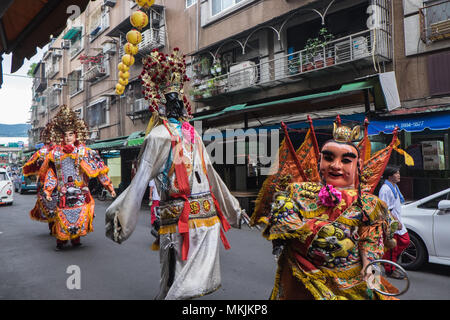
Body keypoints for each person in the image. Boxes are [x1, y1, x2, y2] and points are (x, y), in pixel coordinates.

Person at [105, 48, 242, 300]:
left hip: (207, 220)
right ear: (162, 105)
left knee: (195, 285)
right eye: (171, 101)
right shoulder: (157, 136)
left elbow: (211, 175)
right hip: (178, 221)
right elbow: (140, 179)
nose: (177, 105)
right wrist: (121, 220)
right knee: (175, 281)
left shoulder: (194, 134)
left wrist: (233, 210)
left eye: (179, 99)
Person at [257, 120, 400, 300]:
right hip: (302, 281)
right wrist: (321, 233)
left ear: (359, 166)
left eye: (346, 160)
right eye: (329, 158)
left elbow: (371, 238)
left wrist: (369, 268)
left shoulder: (370, 204)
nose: (336, 166)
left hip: (351, 282)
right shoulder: (297, 192)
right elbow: (282, 228)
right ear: (319, 161)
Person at [42, 105, 116, 250]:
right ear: (61, 137)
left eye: (71, 134)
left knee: (79, 216)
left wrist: (109, 187)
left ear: (76, 135)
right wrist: (48, 190)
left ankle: (76, 239)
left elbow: (99, 170)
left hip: (80, 192)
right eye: (66, 135)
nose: (68, 137)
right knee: (62, 216)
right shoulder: (56, 154)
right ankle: (61, 241)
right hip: (63, 192)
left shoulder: (84, 152)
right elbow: (52, 174)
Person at [22, 121, 58, 234]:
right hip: (47, 183)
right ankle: (53, 227)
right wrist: (41, 162)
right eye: (50, 137)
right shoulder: (42, 152)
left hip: (63, 182)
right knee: (50, 208)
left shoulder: (63, 150)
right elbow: (31, 164)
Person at [379, 165, 410, 279]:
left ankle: (387, 261)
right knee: (393, 247)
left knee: (404, 241)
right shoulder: (385, 189)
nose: (399, 175)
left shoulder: (394, 186)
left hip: (396, 220)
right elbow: (385, 209)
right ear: (390, 176)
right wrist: (396, 221)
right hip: (391, 222)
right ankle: (390, 270)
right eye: (396, 173)